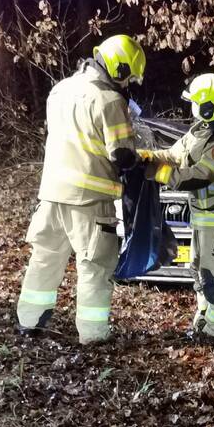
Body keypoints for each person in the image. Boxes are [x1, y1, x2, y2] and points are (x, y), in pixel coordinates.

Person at [16, 34, 146, 344]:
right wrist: (140, 156)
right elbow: (121, 155)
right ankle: (93, 334)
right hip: (90, 199)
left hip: (51, 194)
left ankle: (28, 322)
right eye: (128, 77)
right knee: (95, 266)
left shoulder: (60, 90)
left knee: (45, 257)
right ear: (119, 69)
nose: (128, 84)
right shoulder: (110, 100)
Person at [139, 73, 214, 339]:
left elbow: (197, 176)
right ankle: (205, 323)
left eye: (195, 103)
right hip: (204, 223)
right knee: (200, 275)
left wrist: (157, 173)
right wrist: (146, 156)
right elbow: (174, 155)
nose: (192, 109)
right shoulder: (199, 133)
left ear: (208, 107)